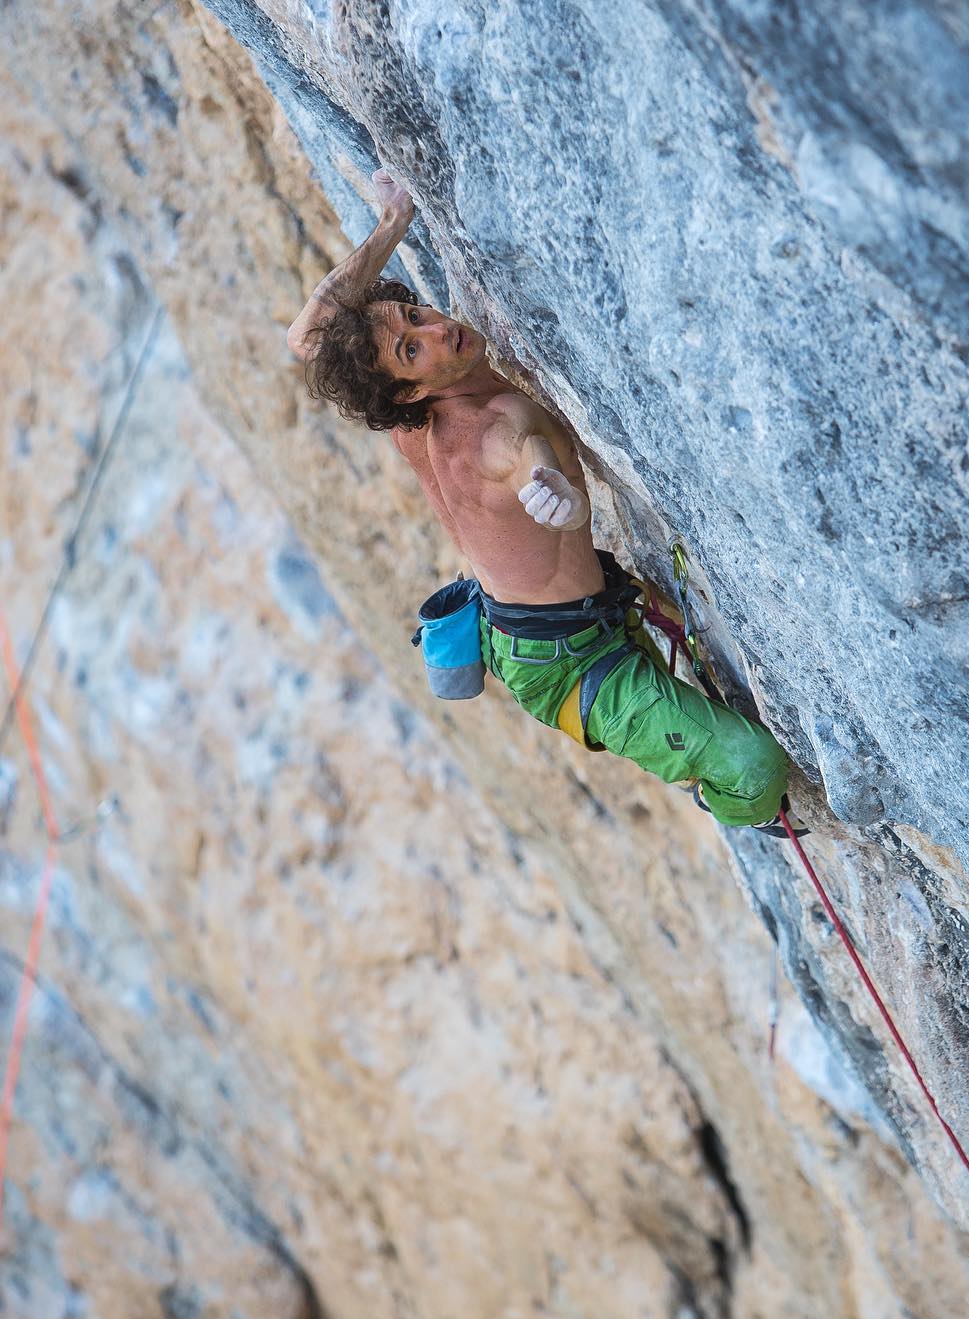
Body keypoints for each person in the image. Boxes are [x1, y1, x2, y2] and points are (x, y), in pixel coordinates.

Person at [288, 170, 795, 833]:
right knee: (754, 767)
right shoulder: (494, 423)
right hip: (571, 664)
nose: (439, 331)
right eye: (413, 348)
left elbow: (307, 337)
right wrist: (546, 482)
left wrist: (393, 223)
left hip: (525, 624)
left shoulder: (405, 419)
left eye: (416, 315)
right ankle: (734, 808)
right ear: (409, 390)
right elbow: (521, 448)